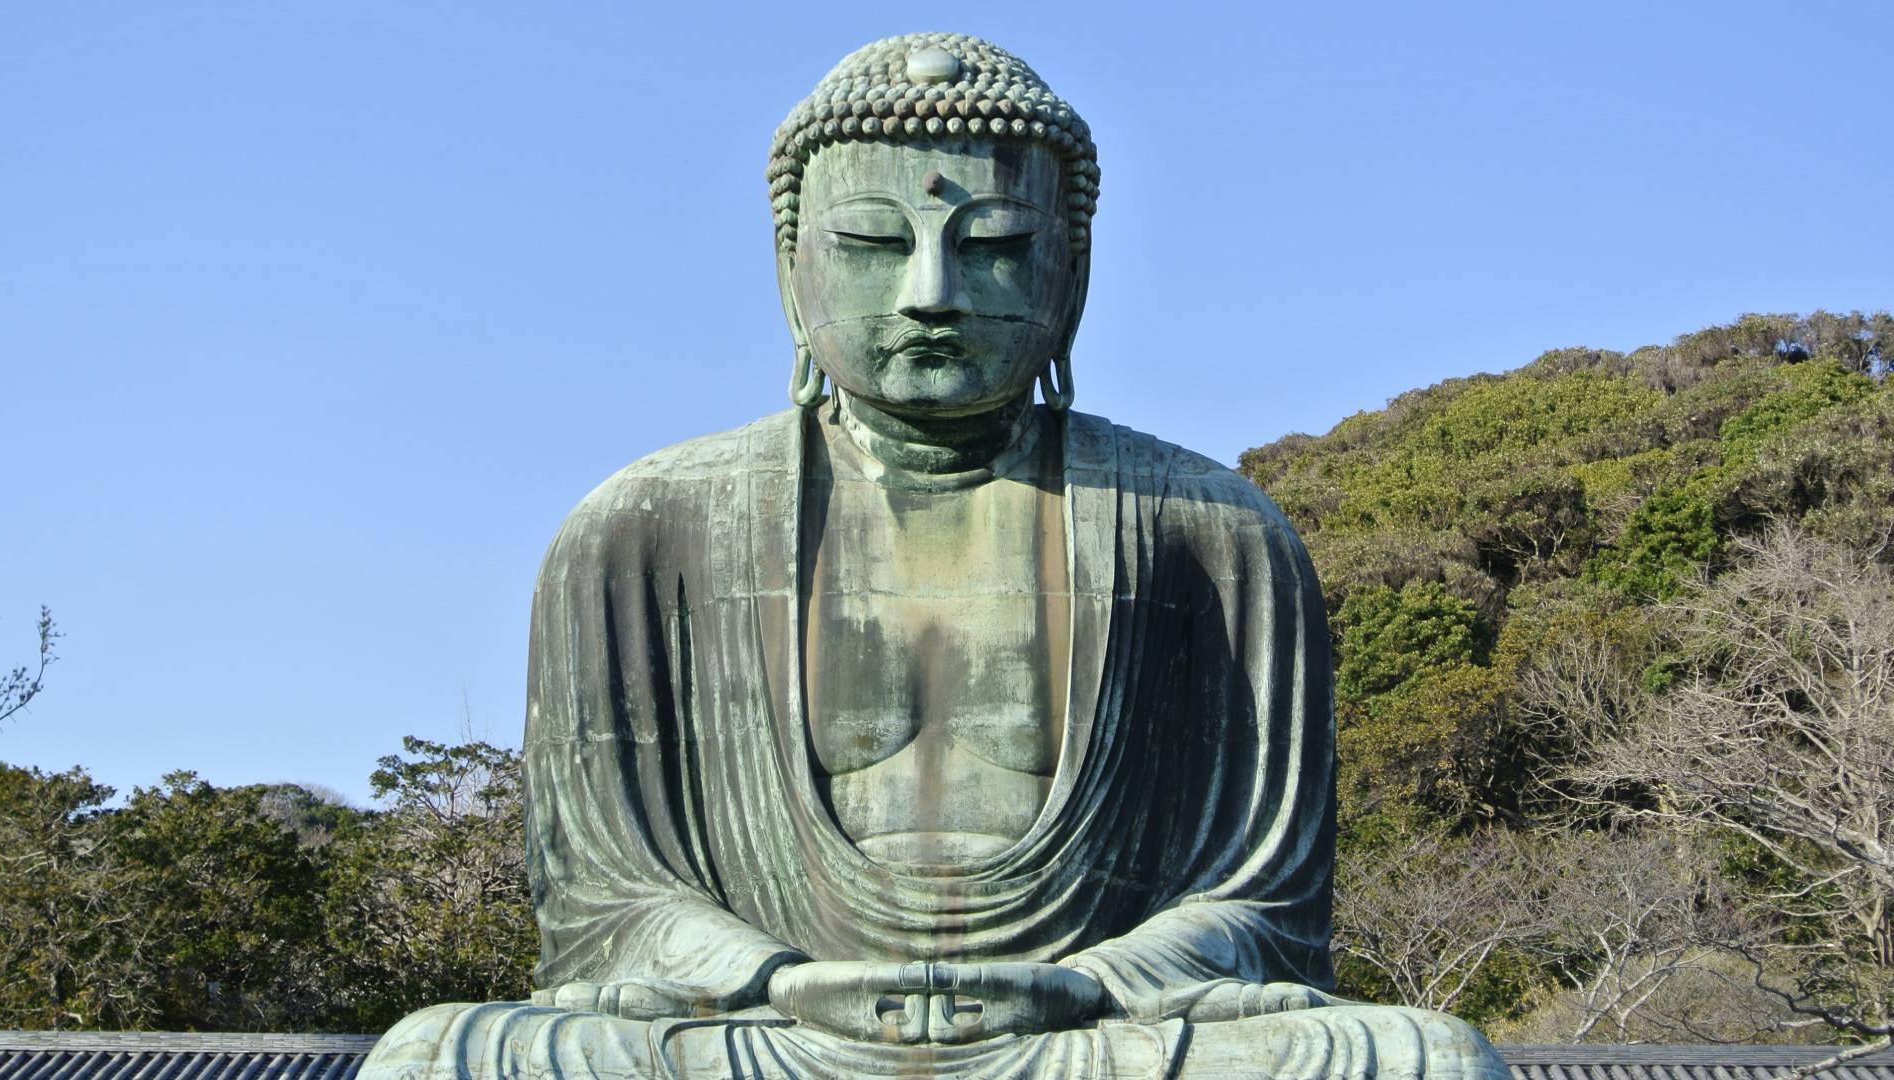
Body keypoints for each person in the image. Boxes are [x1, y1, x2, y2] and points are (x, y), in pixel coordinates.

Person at [359, 32, 1510, 1079]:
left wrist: (1089, 983)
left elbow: (1260, 904)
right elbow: (605, 900)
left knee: (1421, 1063)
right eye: (869, 242)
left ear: (1074, 271)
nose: (930, 294)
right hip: (770, 1035)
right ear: (789, 267)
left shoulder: (1212, 536)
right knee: (437, 1060)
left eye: (997, 246)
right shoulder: (641, 530)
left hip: (1087, 1036)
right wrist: (778, 979)